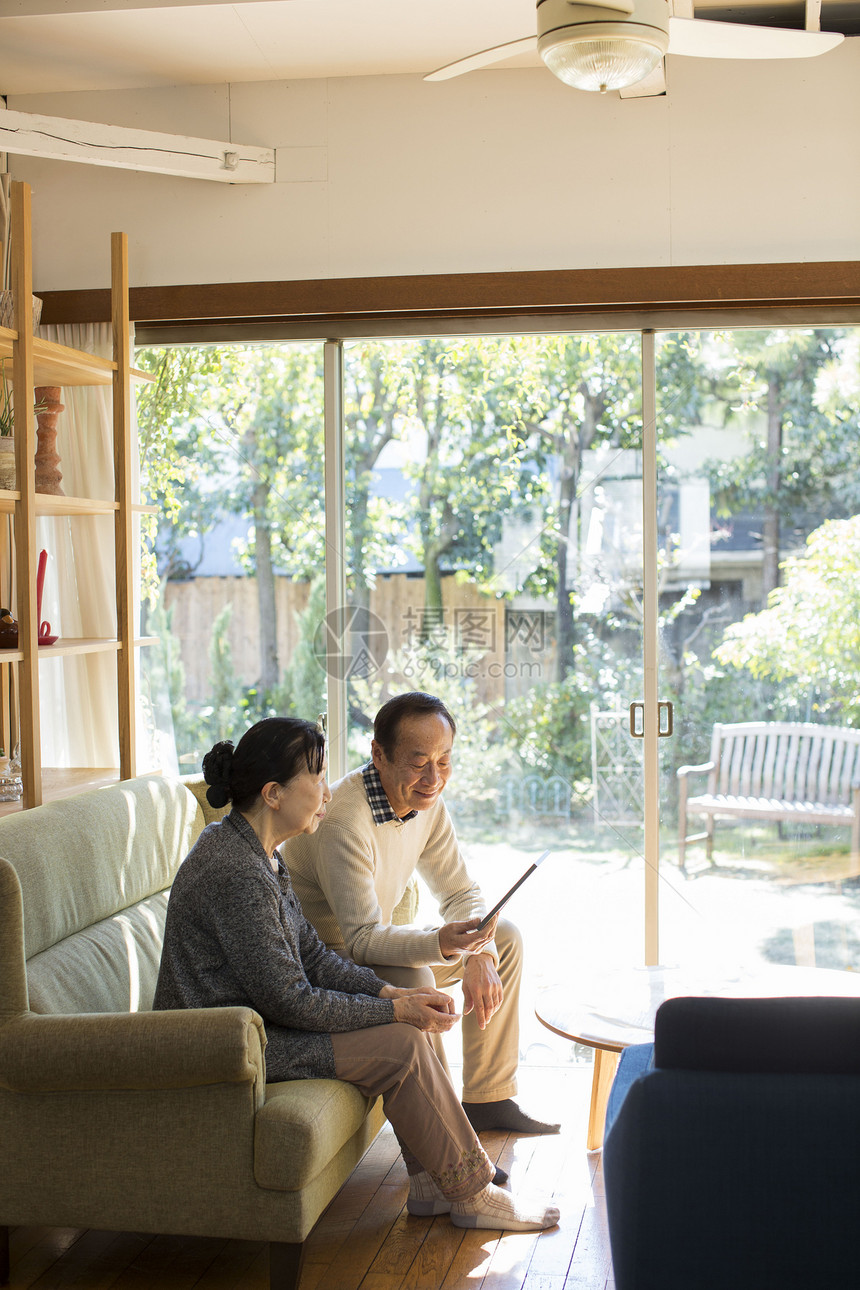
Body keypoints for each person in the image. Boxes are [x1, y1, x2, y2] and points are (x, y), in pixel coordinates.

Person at [153, 716, 559, 1233]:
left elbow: (314, 960)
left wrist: (388, 991)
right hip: (228, 1044)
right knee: (403, 1045)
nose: (328, 790)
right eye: (317, 779)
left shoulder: (259, 855)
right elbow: (290, 1000)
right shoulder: (237, 871)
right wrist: (395, 1007)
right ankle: (474, 1193)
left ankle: (437, 1183)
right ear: (274, 793)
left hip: (257, 1027)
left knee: (404, 1027)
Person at [281, 692, 560, 1137]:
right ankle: (449, 1136)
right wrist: (447, 944)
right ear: (379, 754)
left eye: (444, 760)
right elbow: (362, 940)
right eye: (418, 762)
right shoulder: (342, 820)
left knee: (503, 936)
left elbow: (460, 891)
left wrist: (479, 954)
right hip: (327, 967)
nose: (434, 777)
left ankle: (489, 1099)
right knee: (416, 981)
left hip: (368, 952)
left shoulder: (424, 802)